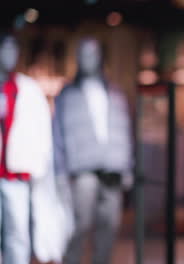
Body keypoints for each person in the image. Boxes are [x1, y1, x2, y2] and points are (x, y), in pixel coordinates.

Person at [53, 37, 133, 264]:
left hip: (113, 168)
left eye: (93, 54)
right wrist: (59, 172)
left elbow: (124, 130)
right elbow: (57, 135)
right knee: (80, 225)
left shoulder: (115, 92)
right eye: (83, 54)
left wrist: (127, 166)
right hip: (82, 169)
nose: (88, 59)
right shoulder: (67, 95)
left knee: (109, 226)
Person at [0, 32, 52, 264]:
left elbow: (40, 130)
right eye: (5, 49)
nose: (9, 55)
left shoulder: (27, 89)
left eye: (14, 49)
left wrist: (38, 164)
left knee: (17, 232)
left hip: (16, 173)